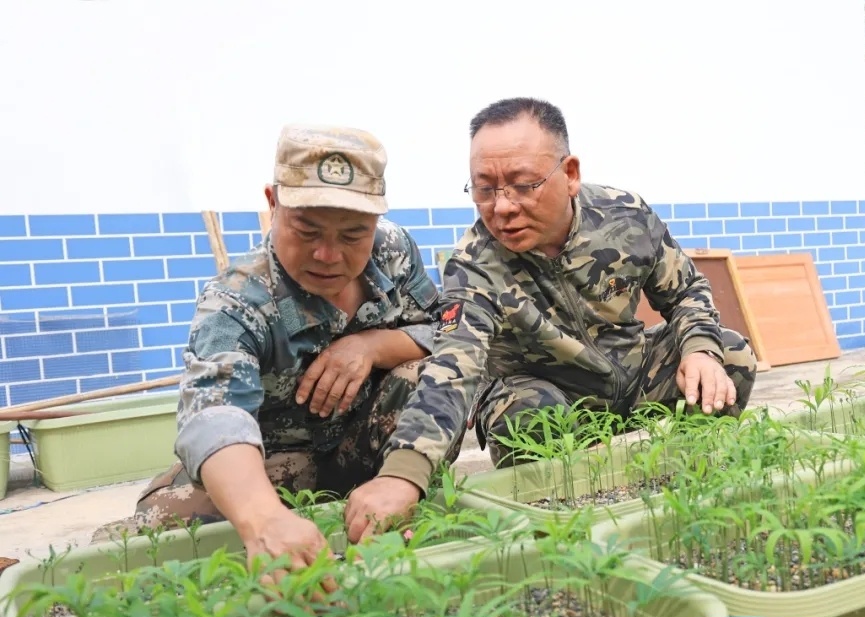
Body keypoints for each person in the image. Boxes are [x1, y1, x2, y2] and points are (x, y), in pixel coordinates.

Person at [360, 97, 758, 530]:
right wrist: (404, 473)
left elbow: (685, 291)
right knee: (526, 414)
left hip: (634, 376)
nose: (503, 206)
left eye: (522, 185)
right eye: (484, 188)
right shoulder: (473, 265)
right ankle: (563, 521)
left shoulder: (624, 215)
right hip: (552, 398)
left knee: (730, 355)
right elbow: (453, 367)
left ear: (569, 175)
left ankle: (684, 490)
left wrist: (699, 349)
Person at [93, 124, 444, 575]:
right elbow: (213, 416)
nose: (328, 254)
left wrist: (373, 346)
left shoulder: (393, 250)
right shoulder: (238, 299)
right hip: (277, 467)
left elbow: (444, 332)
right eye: (308, 230)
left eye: (353, 235)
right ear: (273, 202)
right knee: (159, 528)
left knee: (429, 375)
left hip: (368, 451)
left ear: (376, 221)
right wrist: (263, 518)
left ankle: (396, 496)